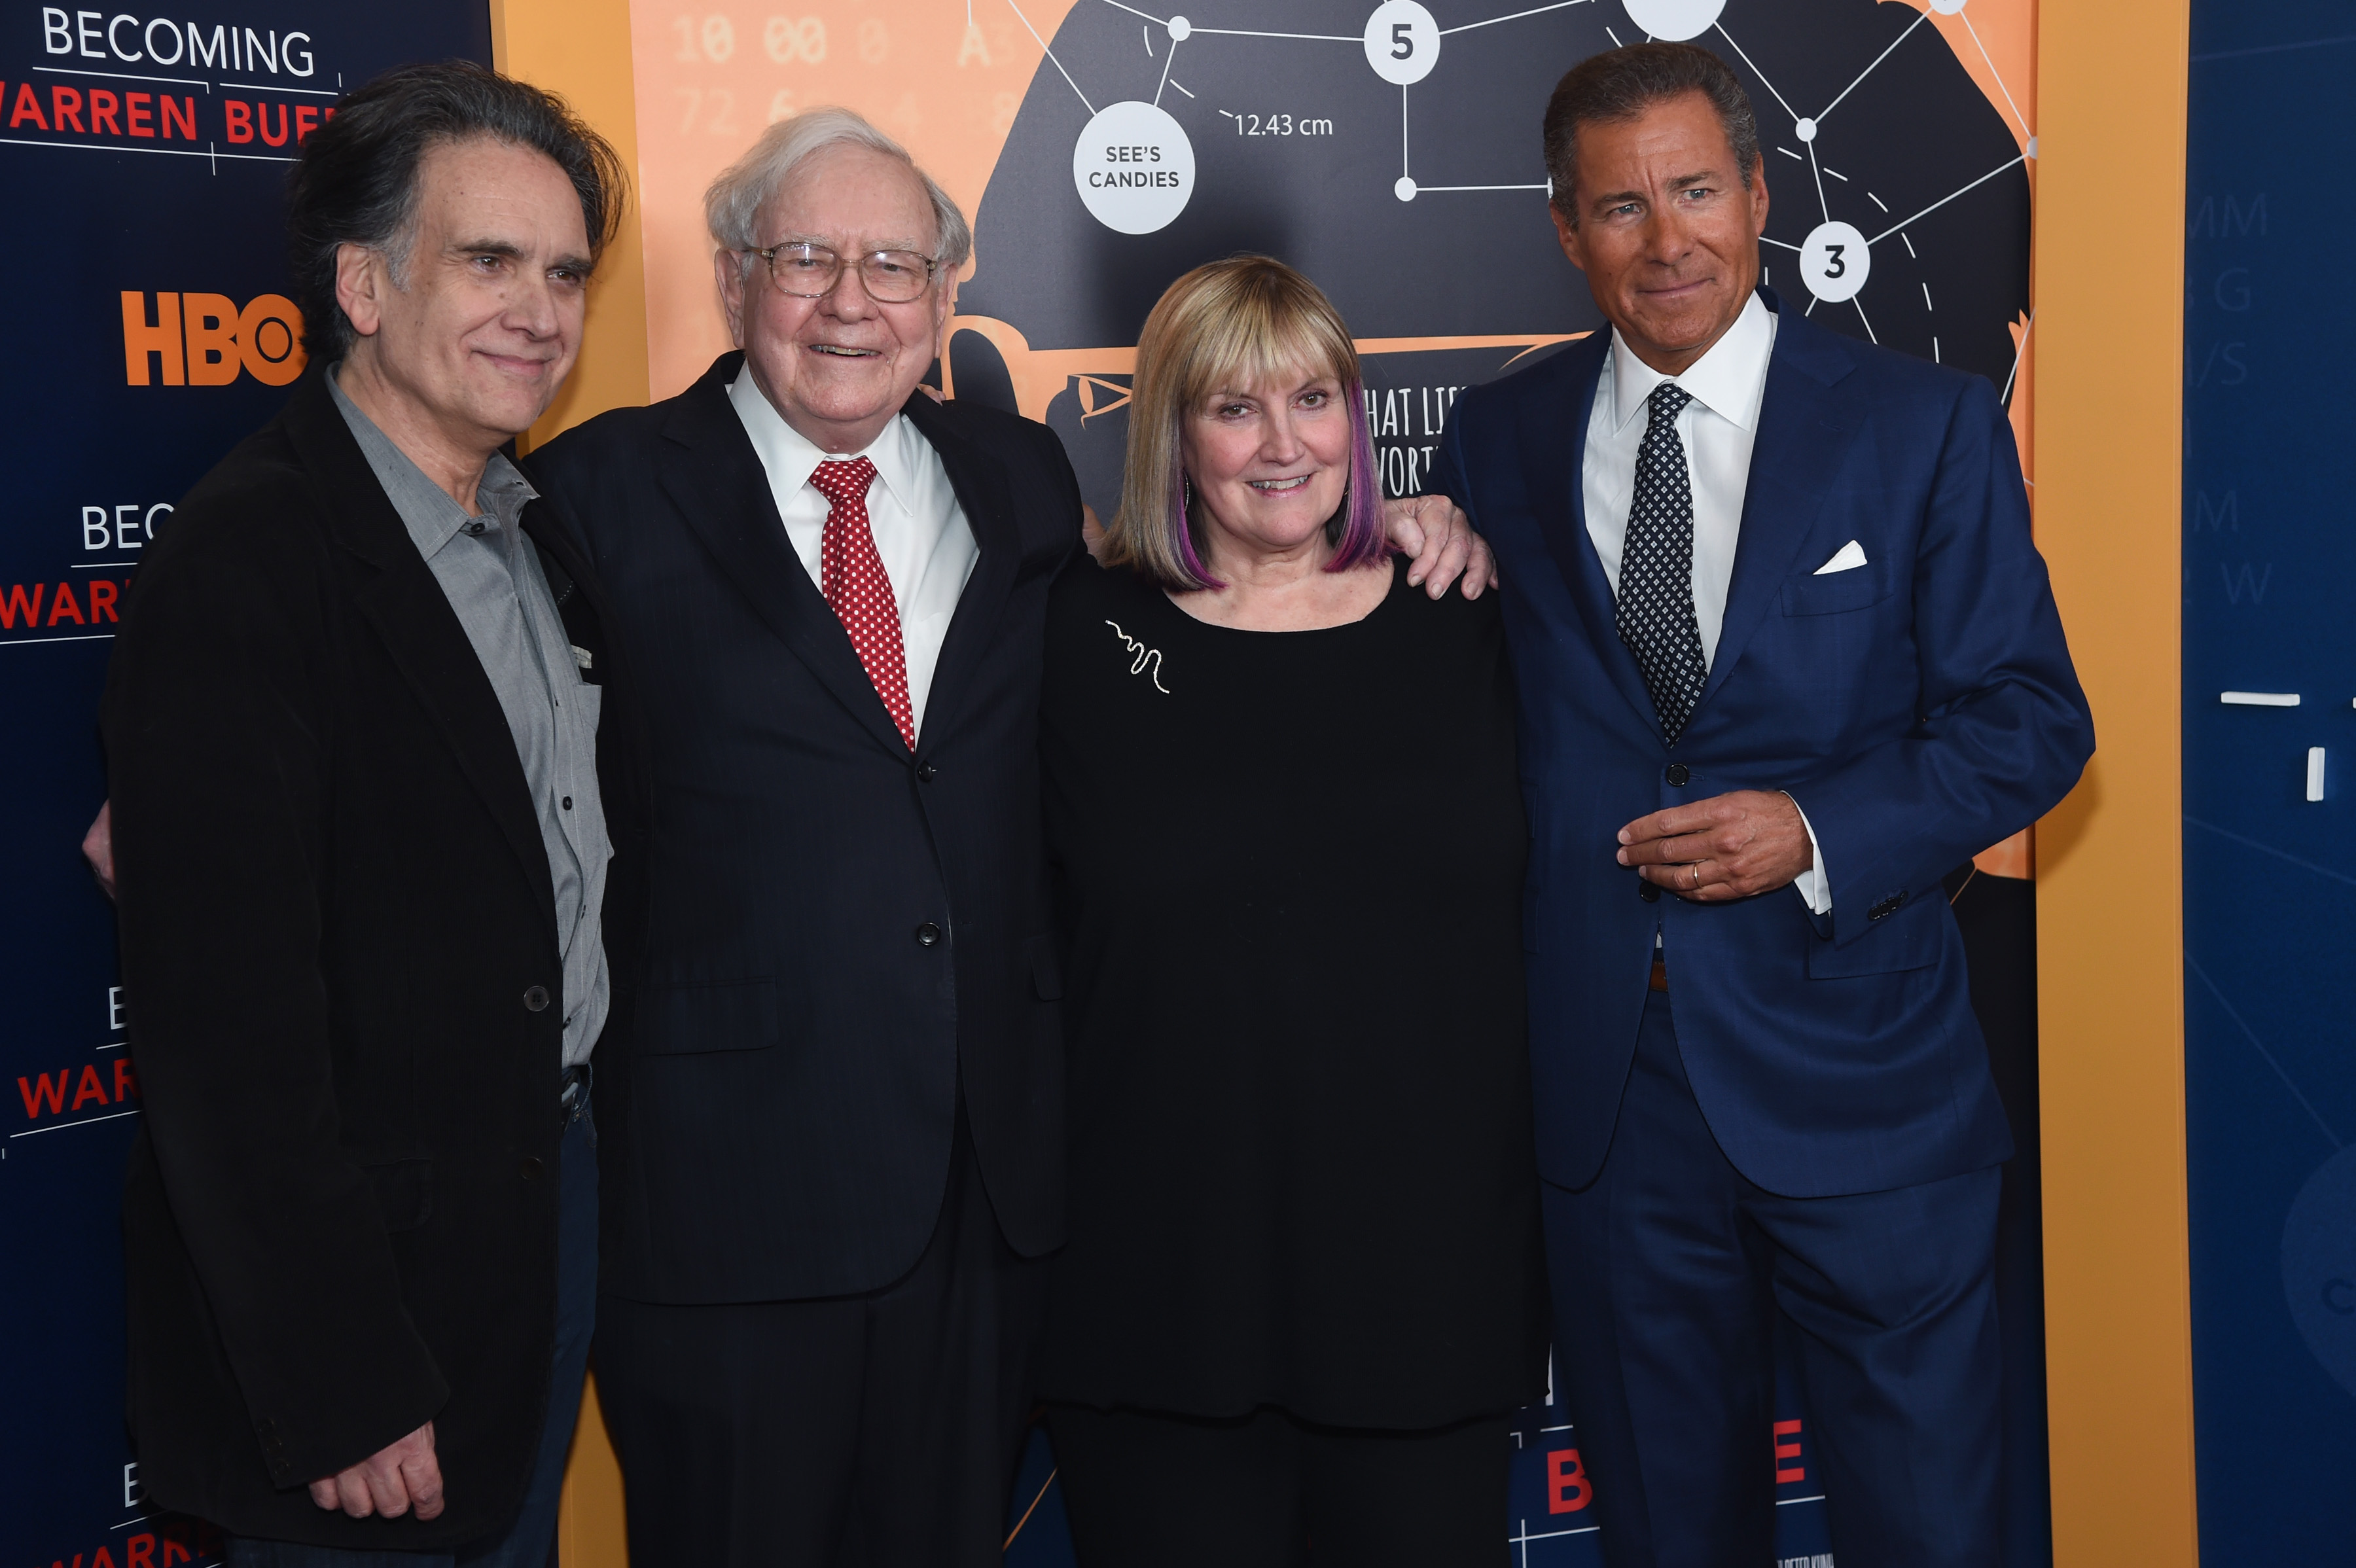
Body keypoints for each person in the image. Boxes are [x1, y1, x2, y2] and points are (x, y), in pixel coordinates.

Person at [522, 109, 1488, 1567]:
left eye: (896, 265)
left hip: (987, 1211)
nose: (853, 301)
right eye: (807, 258)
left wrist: (1396, 522)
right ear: (731, 280)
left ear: (949, 296)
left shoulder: (1019, 479)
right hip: (730, 1213)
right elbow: (468, 712)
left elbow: (1203, 658)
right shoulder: (592, 492)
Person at [1422, 43, 2094, 1568]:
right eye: (1619, 207)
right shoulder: (1498, 439)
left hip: (1872, 1090)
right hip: (1612, 1107)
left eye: (1695, 191)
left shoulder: (1921, 427)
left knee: (1930, 1532)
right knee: (1665, 1535)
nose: (1666, 241)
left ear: (1761, 193)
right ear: (1563, 228)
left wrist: (1813, 830)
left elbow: (2034, 722)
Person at [100, 63, 637, 1568]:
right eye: (487, 260)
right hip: (362, 1328)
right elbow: (226, 1041)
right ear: (360, 282)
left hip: (540, 1228)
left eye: (564, 271)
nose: (539, 309)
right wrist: (337, 1382)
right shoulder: (249, 561)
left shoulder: (538, 539)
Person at [1035, 255, 1546, 1567]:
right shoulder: (1074, 638)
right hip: (1158, 1291)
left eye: (1313, 399)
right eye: (1233, 407)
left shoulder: (1472, 617)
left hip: (1422, 1289)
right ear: (1172, 430)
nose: (1282, 445)